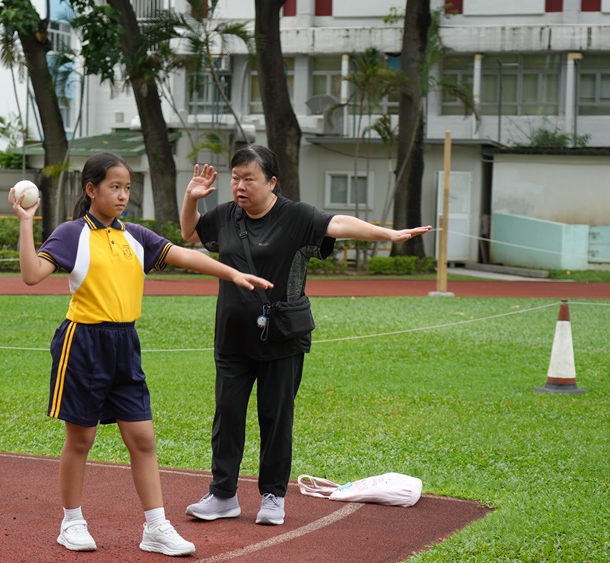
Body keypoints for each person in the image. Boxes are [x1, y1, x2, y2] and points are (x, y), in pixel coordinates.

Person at [10, 152, 272, 556]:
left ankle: (155, 527)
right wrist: (26, 222)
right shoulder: (70, 234)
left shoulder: (135, 235)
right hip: (83, 343)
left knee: (143, 439)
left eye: (127, 188)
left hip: (125, 344)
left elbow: (185, 254)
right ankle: (72, 522)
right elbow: (31, 275)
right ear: (91, 189)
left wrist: (232, 273)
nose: (122, 195)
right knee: (81, 439)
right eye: (114, 187)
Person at [180, 144, 431, 526]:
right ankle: (223, 495)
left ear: (272, 182)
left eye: (250, 179)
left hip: (282, 338)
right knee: (227, 416)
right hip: (232, 337)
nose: (240, 186)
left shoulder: (294, 216)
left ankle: (273, 497)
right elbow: (190, 232)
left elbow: (339, 224)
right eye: (236, 179)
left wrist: (388, 234)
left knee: (276, 418)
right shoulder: (227, 215)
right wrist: (191, 198)